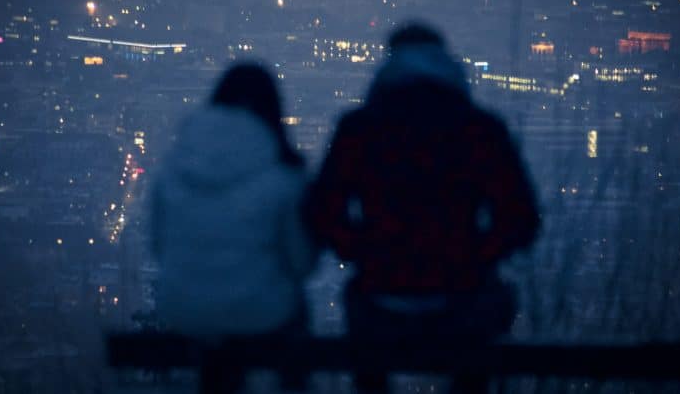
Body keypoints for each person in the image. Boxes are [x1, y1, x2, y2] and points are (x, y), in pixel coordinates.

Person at [305, 23, 540, 393]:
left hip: (379, 293)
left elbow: (322, 212)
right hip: (464, 295)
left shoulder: (359, 128)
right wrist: (476, 257)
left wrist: (365, 251)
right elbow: (521, 218)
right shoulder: (481, 129)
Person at [150, 63, 316, 392]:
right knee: (294, 313)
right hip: (260, 312)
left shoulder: (173, 167)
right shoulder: (283, 175)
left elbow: (158, 247)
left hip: (183, 310)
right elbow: (300, 263)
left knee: (217, 341)